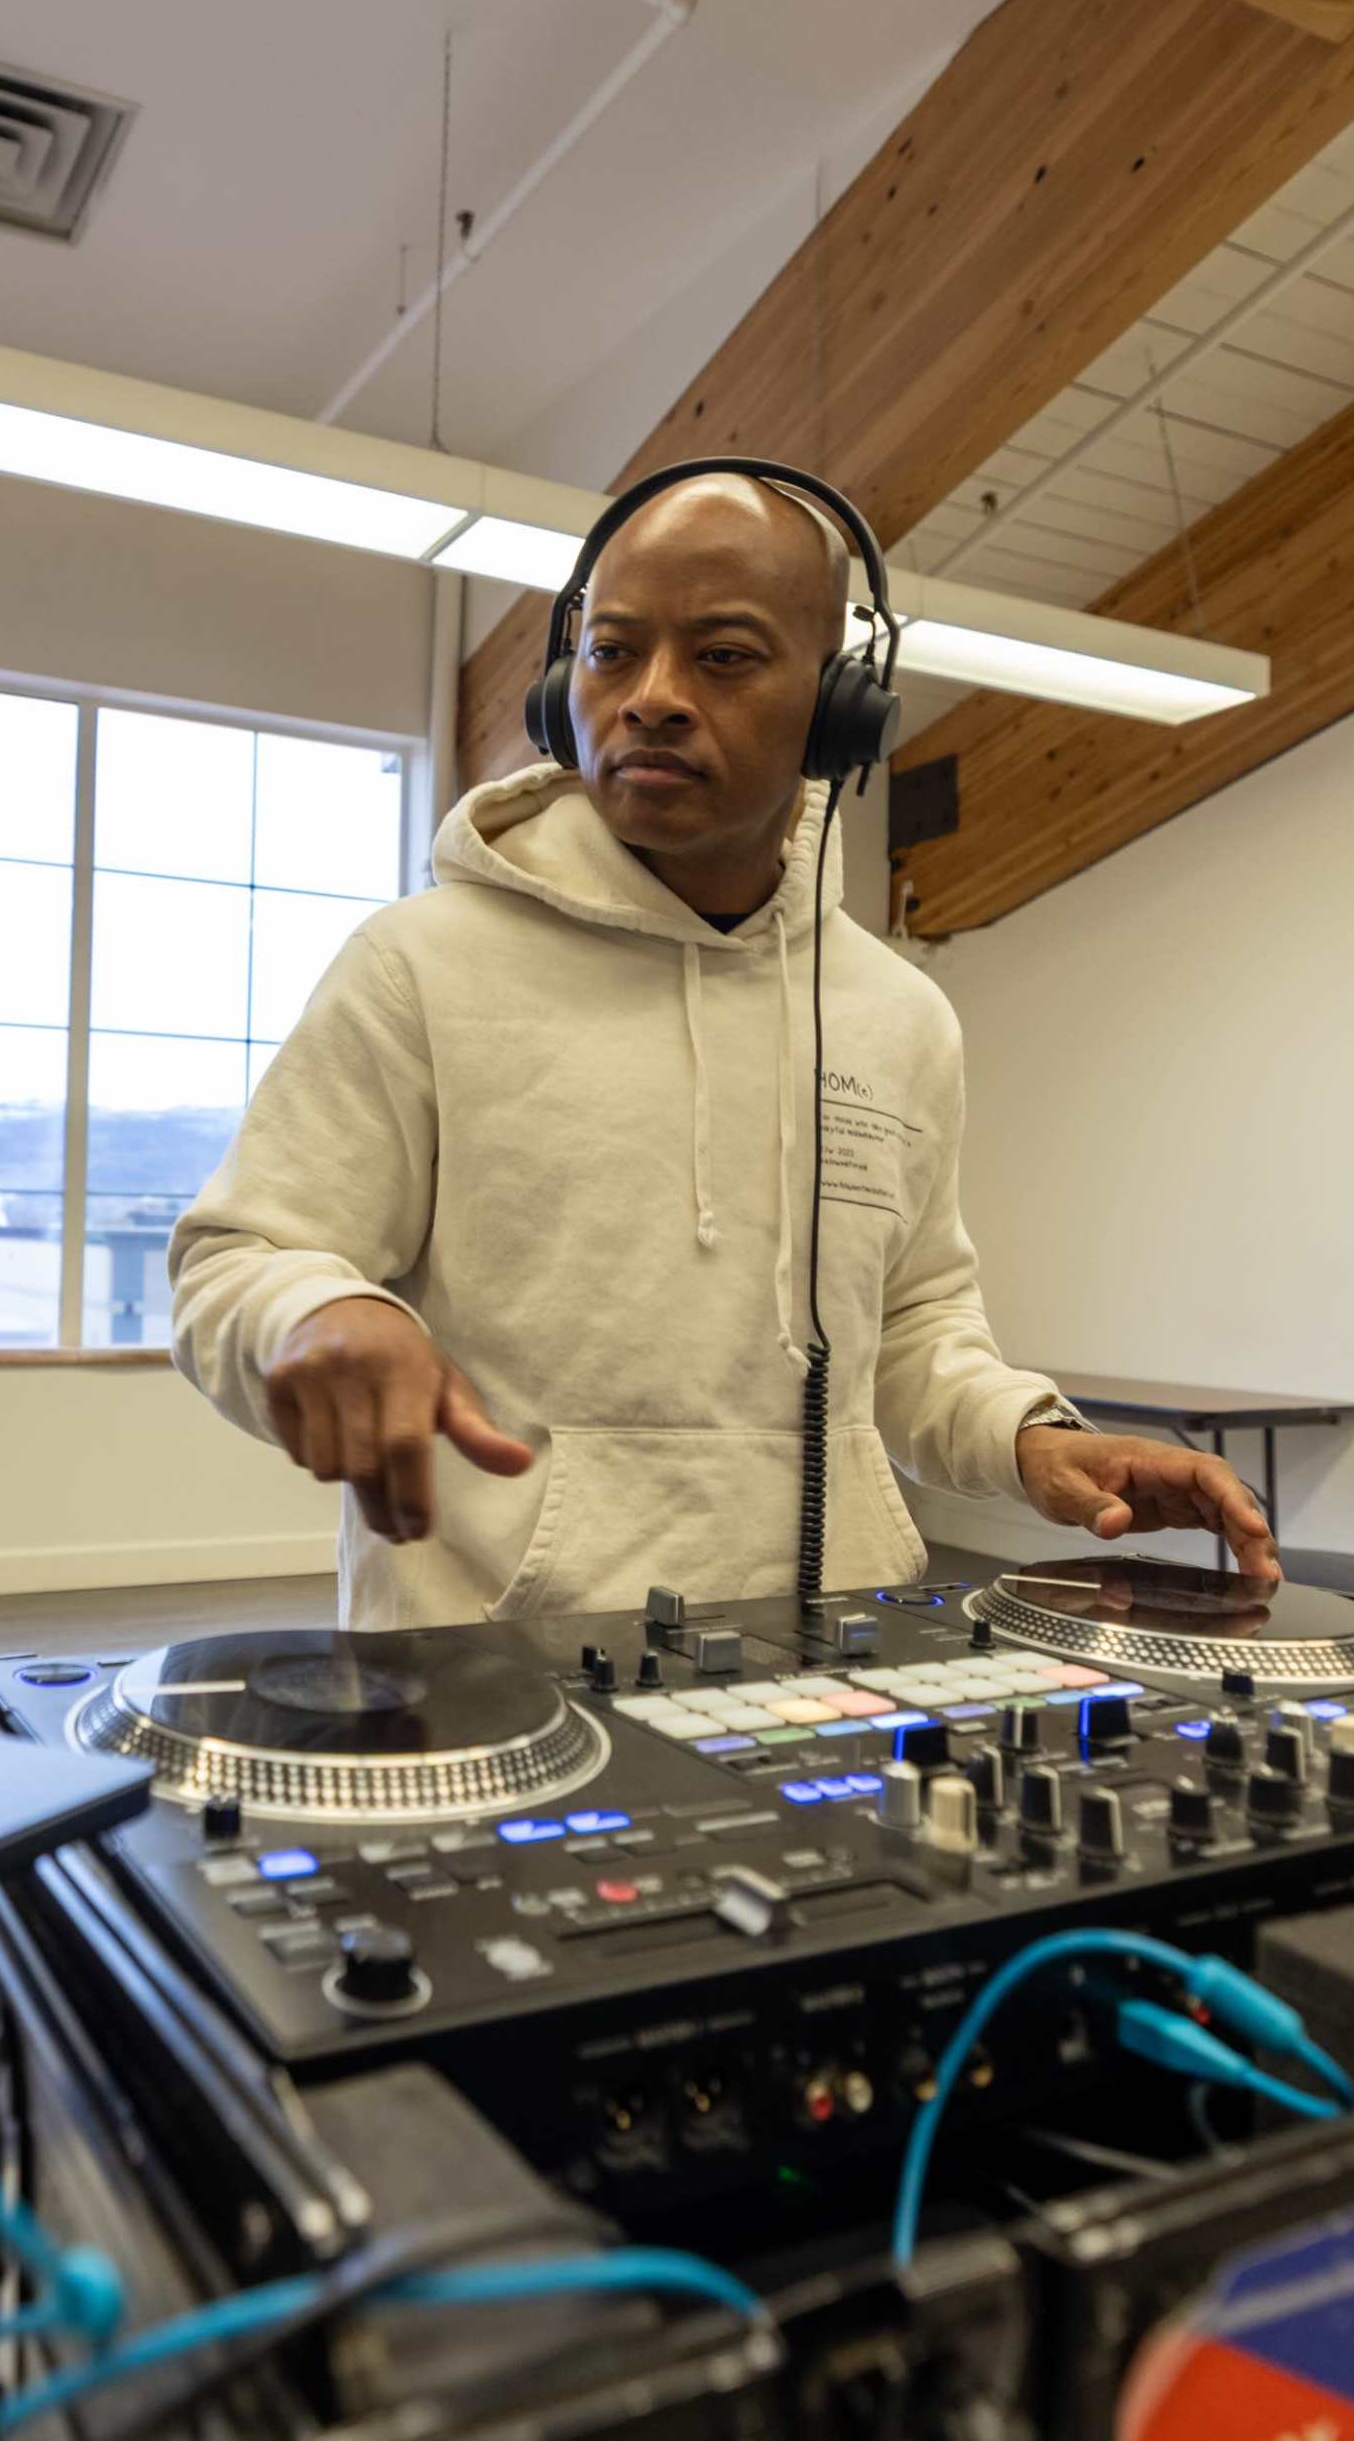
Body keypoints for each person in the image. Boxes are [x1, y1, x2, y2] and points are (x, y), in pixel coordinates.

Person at [168, 466, 1271, 1628]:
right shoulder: (419, 965)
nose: (652, 697)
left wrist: (1034, 1438)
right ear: (563, 686)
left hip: (829, 1663)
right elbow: (236, 1260)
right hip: (495, 1674)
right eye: (611, 652)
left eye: (725, 656)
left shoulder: (898, 1017)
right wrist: (317, 1314)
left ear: (839, 708)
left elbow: (907, 1327)